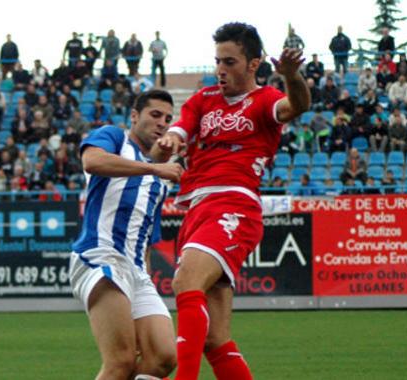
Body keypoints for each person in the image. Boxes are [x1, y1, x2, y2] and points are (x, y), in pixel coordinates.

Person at [154, 22, 309, 380]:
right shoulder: (205, 99)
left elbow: (296, 105)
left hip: (233, 204)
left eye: (230, 62)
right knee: (214, 339)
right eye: (217, 61)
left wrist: (291, 76)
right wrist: (172, 140)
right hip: (196, 209)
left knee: (185, 283)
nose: (220, 70)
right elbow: (182, 126)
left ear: (254, 64)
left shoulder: (265, 99)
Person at [69, 90, 183, 379]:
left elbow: (146, 238)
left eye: (168, 119)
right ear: (134, 116)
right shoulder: (115, 137)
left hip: (135, 271)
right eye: (154, 115)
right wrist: (154, 166)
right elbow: (92, 162)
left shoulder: (159, 182)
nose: (161, 123)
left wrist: (144, 276)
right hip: (99, 255)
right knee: (120, 363)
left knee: (163, 356)